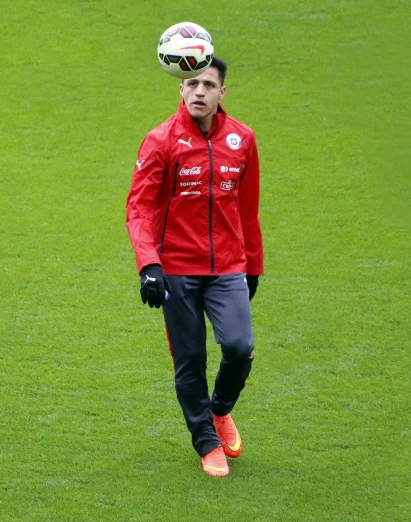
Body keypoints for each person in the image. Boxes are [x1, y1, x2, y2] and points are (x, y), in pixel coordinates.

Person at [125, 56, 263, 477]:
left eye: (208, 84)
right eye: (192, 85)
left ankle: (220, 411)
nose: (199, 92)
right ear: (180, 90)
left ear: (223, 92)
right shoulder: (160, 141)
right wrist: (149, 266)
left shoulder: (243, 139)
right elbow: (139, 208)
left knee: (239, 348)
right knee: (190, 359)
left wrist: (253, 266)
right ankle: (206, 442)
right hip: (176, 271)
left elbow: (249, 210)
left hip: (228, 268)